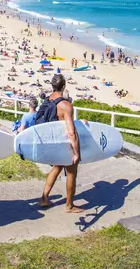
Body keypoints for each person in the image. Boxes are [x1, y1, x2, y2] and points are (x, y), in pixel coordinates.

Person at [39, 74, 84, 213]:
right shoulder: (65, 105)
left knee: (57, 167)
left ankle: (44, 198)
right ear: (64, 86)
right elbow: (71, 131)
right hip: (65, 144)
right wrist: (76, 152)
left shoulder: (47, 100)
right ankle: (69, 206)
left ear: (52, 86)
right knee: (71, 173)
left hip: (53, 142)